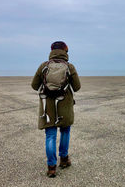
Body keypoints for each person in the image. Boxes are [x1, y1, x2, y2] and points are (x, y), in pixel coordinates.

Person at [31, 41, 81, 177]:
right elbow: (77, 87)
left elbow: (34, 85)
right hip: (64, 106)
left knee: (50, 135)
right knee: (65, 131)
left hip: (48, 107)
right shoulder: (69, 67)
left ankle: (51, 167)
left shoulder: (43, 66)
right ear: (66, 52)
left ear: (51, 51)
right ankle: (64, 159)